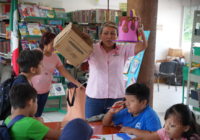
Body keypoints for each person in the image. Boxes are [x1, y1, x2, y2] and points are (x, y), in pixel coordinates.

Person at [80, 16, 148, 118]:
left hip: (116, 98)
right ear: (100, 35)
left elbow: (142, 46)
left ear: (117, 36)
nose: (109, 36)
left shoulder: (123, 49)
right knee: (92, 128)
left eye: (113, 33)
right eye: (106, 33)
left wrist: (140, 29)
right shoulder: (91, 49)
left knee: (114, 128)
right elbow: (71, 60)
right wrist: (81, 41)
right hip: (94, 97)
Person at [32, 32, 85, 117]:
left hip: (45, 90)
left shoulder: (55, 57)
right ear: (44, 44)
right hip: (32, 91)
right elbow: (26, 68)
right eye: (52, 44)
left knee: (38, 115)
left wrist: (78, 83)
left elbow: (64, 72)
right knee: (32, 115)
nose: (54, 46)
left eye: (56, 44)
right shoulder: (35, 53)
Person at [131, 103, 200, 140]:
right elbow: (143, 139)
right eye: (166, 123)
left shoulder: (191, 139)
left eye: (172, 125)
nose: (166, 128)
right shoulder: (165, 132)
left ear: (185, 128)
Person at [12, 49, 44, 122]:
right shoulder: (21, 83)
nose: (43, 66)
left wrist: (34, 118)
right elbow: (15, 111)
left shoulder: (26, 80)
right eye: (41, 64)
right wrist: (34, 121)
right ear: (32, 69)